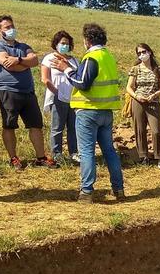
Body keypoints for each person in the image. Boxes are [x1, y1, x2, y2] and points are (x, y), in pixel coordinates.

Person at [53, 23, 124, 203]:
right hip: (105, 111)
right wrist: (72, 67)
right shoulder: (108, 56)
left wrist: (66, 69)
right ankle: (119, 189)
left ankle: (86, 192)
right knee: (109, 150)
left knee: (86, 152)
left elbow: (83, 82)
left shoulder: (92, 57)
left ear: (87, 40)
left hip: (88, 111)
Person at [0, 14, 57, 170]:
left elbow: (34, 60)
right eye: (7, 27)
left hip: (28, 91)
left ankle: (41, 158)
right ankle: (13, 158)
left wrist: (19, 60)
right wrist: (24, 62)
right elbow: (8, 64)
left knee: (36, 125)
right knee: (9, 125)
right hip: (7, 91)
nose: (11, 29)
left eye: (12, 26)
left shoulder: (23, 46)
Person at [41, 31, 80, 165]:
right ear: (56, 44)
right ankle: (56, 153)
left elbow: (78, 78)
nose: (65, 46)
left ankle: (74, 153)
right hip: (58, 97)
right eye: (62, 43)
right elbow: (45, 79)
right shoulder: (49, 58)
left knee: (73, 127)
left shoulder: (74, 61)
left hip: (74, 99)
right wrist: (56, 92)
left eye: (67, 44)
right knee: (57, 128)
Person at [126, 43, 160, 169]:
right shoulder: (135, 69)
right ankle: (143, 156)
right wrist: (136, 96)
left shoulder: (158, 69)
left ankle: (159, 158)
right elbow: (129, 87)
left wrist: (153, 95)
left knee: (156, 130)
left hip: (153, 102)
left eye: (144, 52)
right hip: (138, 101)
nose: (142, 55)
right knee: (140, 130)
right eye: (139, 53)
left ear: (149, 52)